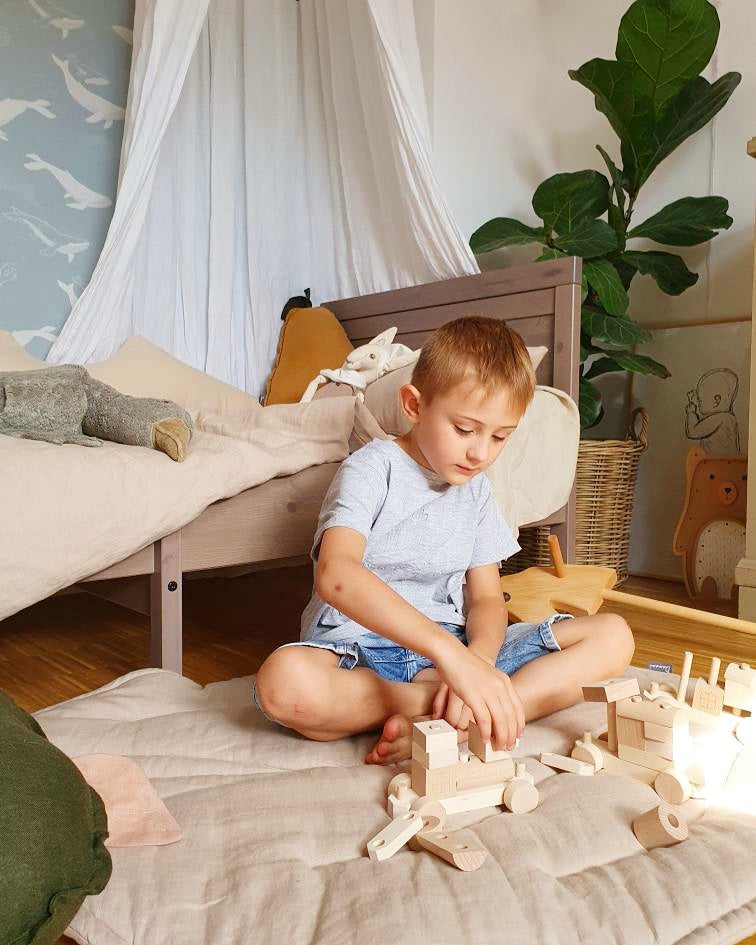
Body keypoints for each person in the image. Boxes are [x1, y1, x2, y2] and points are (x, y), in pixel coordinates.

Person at [254, 316, 634, 764]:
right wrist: (451, 660)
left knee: (614, 636)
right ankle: (432, 707)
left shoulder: (478, 491)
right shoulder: (372, 469)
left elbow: (487, 600)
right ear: (414, 405)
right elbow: (336, 575)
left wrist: (479, 663)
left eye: (500, 437)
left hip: (457, 653)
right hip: (360, 651)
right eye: (465, 430)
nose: (480, 453)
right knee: (284, 684)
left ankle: (470, 717)